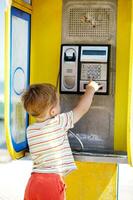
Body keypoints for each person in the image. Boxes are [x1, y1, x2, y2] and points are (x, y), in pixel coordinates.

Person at [22, 81, 101, 200]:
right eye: (59, 103)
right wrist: (91, 88)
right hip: (51, 182)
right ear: (53, 111)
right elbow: (82, 109)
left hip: (34, 182)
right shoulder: (58, 122)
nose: (61, 105)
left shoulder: (30, 130)